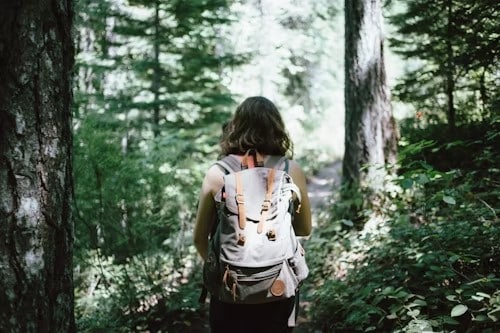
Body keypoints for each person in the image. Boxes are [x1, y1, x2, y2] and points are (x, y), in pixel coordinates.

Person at [193, 96, 312, 332]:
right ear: (276, 127)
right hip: (278, 287)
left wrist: (224, 270)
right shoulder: (290, 169)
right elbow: (304, 229)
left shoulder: (218, 173)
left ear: (236, 126)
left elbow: (199, 239)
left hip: (230, 290)